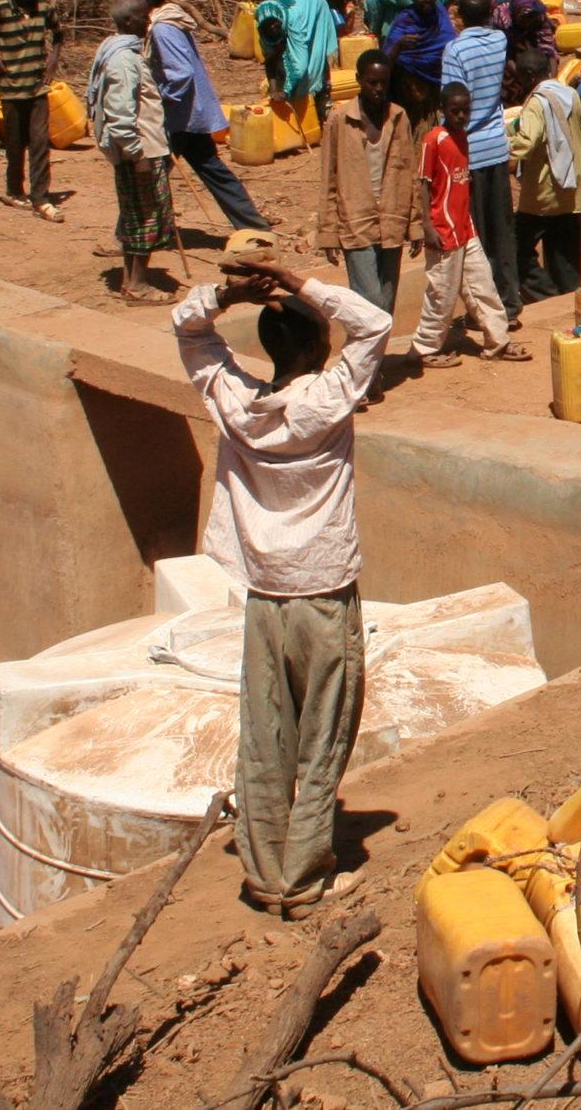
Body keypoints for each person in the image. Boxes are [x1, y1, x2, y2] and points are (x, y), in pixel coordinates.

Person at [174, 257, 390, 917]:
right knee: (322, 739)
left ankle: (267, 871)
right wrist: (298, 280)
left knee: (266, 734)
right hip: (324, 596)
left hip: (265, 599)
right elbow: (374, 324)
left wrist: (229, 292)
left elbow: (187, 326)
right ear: (320, 344)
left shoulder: (237, 404)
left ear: (269, 348)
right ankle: (301, 879)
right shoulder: (326, 402)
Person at [134, 0, 271, 235]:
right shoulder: (175, 21)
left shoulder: (163, 28)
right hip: (192, 112)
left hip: (178, 116)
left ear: (148, 1)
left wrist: (160, 100)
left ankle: (132, 235)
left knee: (149, 174)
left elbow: (181, 72)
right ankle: (254, 225)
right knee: (213, 170)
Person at [411, 81, 526, 367]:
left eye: (465, 111)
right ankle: (426, 348)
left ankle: (498, 341)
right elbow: (422, 185)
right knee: (443, 292)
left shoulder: (463, 137)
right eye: (455, 111)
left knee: (482, 284)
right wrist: (427, 226)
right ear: (442, 110)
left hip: (465, 227)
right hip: (443, 228)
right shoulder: (433, 140)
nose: (461, 116)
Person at [87, 0, 178, 305]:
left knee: (134, 217)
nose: (148, 22)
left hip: (143, 147)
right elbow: (120, 112)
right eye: (142, 17)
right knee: (147, 219)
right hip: (141, 152)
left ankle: (131, 280)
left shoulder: (121, 51)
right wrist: (137, 152)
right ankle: (137, 286)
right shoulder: (123, 61)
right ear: (128, 22)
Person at [317, 54, 423, 314]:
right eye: (371, 82)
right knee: (369, 303)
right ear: (358, 81)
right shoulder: (339, 120)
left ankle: (376, 356)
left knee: (386, 305)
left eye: (383, 83)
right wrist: (328, 232)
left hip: (392, 220)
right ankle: (367, 354)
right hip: (355, 222)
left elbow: (410, 174)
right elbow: (329, 177)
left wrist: (416, 225)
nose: (378, 89)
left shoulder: (399, 117)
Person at [443, 0, 519, 313]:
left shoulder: (454, 51)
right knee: (502, 230)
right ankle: (510, 303)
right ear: (489, 13)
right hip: (498, 148)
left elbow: (451, 102)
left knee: (477, 236)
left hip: (468, 151)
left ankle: (486, 310)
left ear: (460, 15)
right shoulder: (500, 41)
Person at [510, 47, 581, 301]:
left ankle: (543, 293)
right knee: (564, 251)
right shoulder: (569, 93)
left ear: (528, 75)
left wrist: (501, 144)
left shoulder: (537, 102)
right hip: (574, 186)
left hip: (546, 190)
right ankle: (568, 297)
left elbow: (526, 142)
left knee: (516, 245)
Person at [0, 0, 64, 223]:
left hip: (37, 88)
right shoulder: (0, 11)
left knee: (40, 142)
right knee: (15, 143)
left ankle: (40, 196)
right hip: (11, 89)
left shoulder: (44, 8)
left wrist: (53, 60)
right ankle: (14, 189)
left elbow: (59, 33)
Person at [256, 0, 344, 119]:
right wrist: (275, 89)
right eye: (268, 26)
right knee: (282, 58)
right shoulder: (264, 26)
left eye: (275, 23)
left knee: (315, 61)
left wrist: (286, 92)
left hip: (314, 7)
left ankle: (320, 101)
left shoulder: (295, 22)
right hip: (299, 3)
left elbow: (300, 65)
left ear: (279, 17)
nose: (273, 27)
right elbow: (270, 60)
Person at [380, 0, 454, 104]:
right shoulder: (404, 21)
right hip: (412, 89)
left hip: (442, 83)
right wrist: (399, 45)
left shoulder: (440, 13)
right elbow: (385, 63)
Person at [491, 0, 558, 108]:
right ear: (517, 16)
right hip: (507, 37)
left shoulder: (538, 16)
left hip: (524, 33)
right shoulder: (502, 17)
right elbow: (505, 54)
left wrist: (550, 80)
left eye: (531, 19)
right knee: (509, 79)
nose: (528, 22)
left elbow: (548, 48)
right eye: (525, 19)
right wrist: (522, 76)